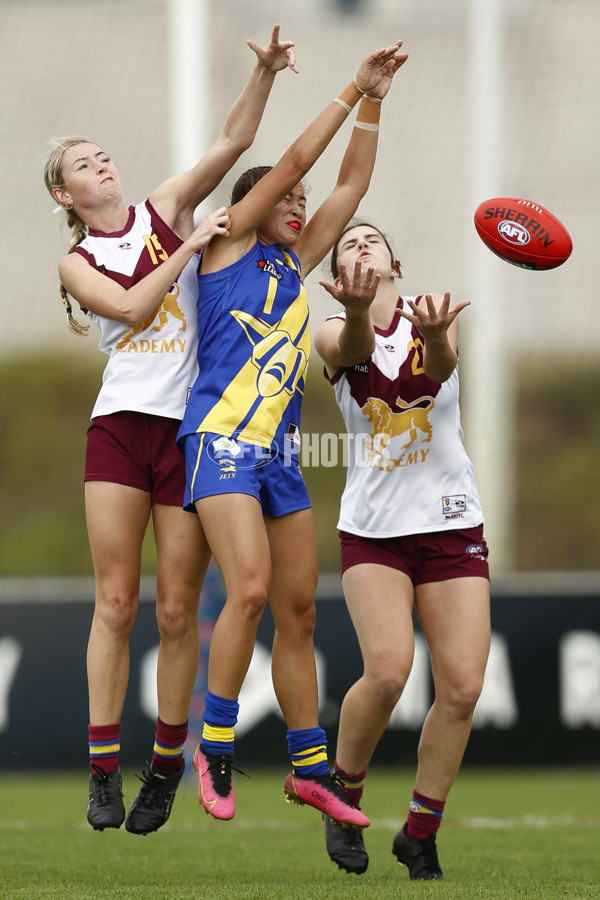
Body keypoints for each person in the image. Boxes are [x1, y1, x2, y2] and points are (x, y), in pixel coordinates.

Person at [42, 25, 298, 836]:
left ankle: (164, 766)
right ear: (65, 195)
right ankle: (101, 770)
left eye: (102, 154)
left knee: (179, 611)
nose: (101, 164)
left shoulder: (162, 206)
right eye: (83, 164)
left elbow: (235, 139)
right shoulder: (81, 259)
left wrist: (262, 72)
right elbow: (127, 308)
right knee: (116, 601)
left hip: (187, 432)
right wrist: (187, 244)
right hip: (121, 430)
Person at [176, 43, 408, 826]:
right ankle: (215, 746)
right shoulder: (230, 244)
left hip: (278, 456)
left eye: (301, 200)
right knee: (244, 592)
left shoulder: (293, 263)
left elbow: (350, 182)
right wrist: (348, 86)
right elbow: (302, 156)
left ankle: (309, 766)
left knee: (299, 611)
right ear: (255, 205)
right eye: (289, 197)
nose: (302, 204)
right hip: (219, 439)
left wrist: (374, 102)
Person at [313, 221, 491, 878]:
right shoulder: (333, 328)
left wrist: (440, 336)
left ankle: (420, 833)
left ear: (395, 261)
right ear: (339, 272)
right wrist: (358, 312)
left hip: (450, 524)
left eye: (371, 240)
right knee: (388, 672)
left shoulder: (434, 315)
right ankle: (343, 794)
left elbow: (440, 370)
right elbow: (355, 348)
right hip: (374, 531)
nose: (360, 246)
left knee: (464, 688)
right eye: (347, 244)